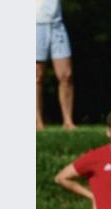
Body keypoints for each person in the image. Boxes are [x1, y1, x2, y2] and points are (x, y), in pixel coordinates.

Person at [36, 0, 76, 130]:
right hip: (36, 22)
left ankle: (68, 121)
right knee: (37, 76)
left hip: (57, 23)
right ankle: (37, 122)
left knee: (66, 75)